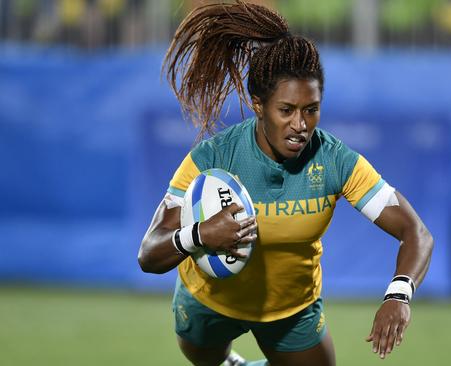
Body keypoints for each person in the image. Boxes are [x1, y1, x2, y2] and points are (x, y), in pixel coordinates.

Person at [137, 2, 434, 365]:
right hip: (208, 304)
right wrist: (198, 235)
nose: (300, 125)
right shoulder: (212, 158)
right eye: (287, 110)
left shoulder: (334, 160)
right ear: (257, 104)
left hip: (291, 310)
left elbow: (415, 232)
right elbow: (149, 253)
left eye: (311, 109)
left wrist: (399, 295)